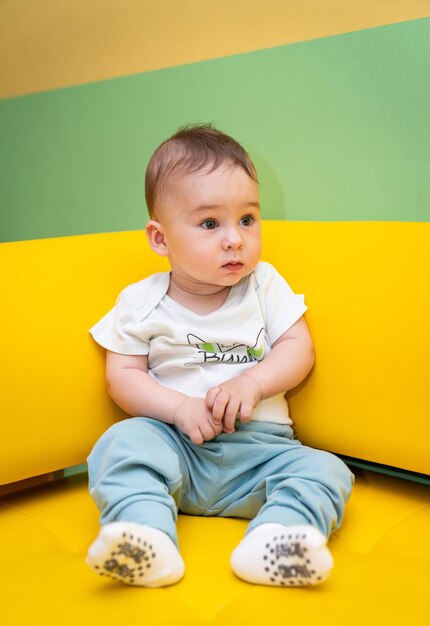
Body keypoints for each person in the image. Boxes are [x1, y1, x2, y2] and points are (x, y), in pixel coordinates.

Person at [86, 124, 354, 588]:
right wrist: (178, 408)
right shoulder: (139, 300)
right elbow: (122, 377)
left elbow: (299, 348)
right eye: (210, 224)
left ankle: (275, 538)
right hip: (176, 449)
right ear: (160, 239)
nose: (235, 239)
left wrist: (252, 383)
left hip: (262, 454)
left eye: (247, 219)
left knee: (326, 469)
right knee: (119, 444)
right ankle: (146, 537)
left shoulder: (265, 284)